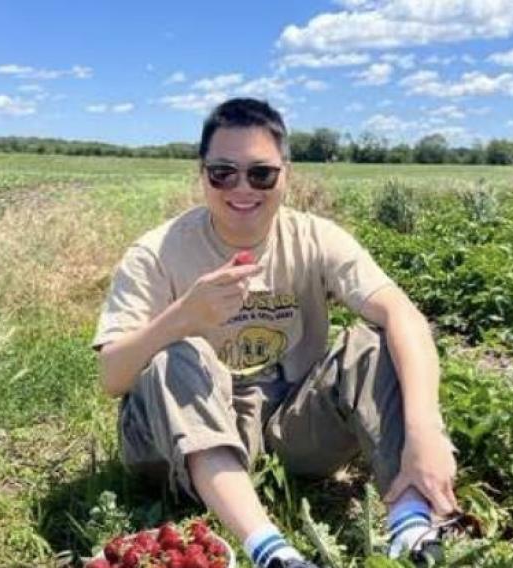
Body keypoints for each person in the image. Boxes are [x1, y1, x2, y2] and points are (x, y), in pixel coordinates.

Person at [91, 97, 458, 566]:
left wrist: (425, 432)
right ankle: (271, 550)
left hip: (287, 427)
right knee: (175, 355)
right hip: (175, 444)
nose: (242, 188)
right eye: (223, 173)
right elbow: (112, 377)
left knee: (373, 342)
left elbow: (403, 314)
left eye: (261, 174)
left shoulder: (314, 237)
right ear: (201, 174)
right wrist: (183, 316)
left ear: (286, 174)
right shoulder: (157, 252)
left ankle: (410, 521)